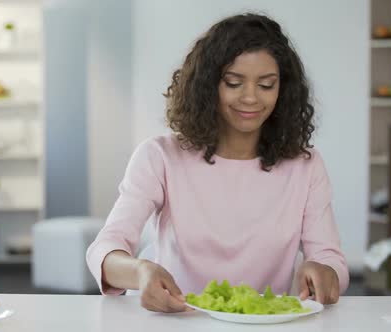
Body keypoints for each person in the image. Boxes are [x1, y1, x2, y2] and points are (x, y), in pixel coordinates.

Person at [86, 12, 349, 313]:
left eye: (266, 85)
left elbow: (331, 260)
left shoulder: (306, 166)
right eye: (234, 83)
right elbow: (104, 249)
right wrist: (140, 271)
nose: (250, 98)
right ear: (208, 85)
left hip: (265, 325)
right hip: (178, 320)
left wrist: (323, 270)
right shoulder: (160, 156)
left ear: (283, 90)